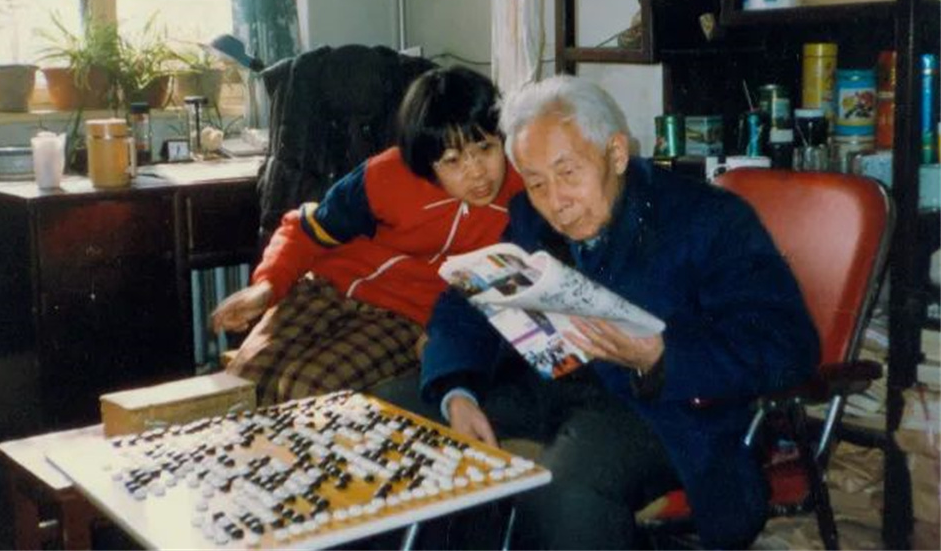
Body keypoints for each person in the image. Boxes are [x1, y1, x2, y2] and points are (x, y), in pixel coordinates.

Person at [382, 75, 819, 549]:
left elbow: (788, 344)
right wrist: (456, 393)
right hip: (549, 386)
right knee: (391, 418)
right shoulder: (530, 216)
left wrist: (662, 356)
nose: (556, 202)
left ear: (616, 153)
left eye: (568, 173)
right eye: (537, 183)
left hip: (656, 407)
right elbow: (465, 305)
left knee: (565, 491)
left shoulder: (708, 219)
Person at [211, 65, 523, 406]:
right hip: (326, 288)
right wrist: (268, 286)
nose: (477, 172)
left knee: (306, 390)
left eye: (486, 148)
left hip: (404, 318)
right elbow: (306, 230)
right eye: (452, 160)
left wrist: (445, 342)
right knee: (242, 385)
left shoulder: (523, 196)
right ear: (425, 161)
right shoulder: (386, 177)